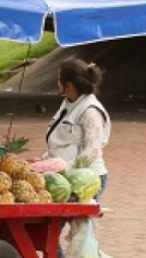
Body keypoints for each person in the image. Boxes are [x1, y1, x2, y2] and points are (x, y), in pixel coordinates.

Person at [43, 59, 110, 201]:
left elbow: (93, 150)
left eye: (59, 80)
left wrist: (64, 167)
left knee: (74, 218)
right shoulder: (68, 103)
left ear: (69, 85)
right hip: (64, 177)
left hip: (87, 178)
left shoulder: (90, 110)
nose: (57, 84)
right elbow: (63, 141)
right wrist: (45, 160)